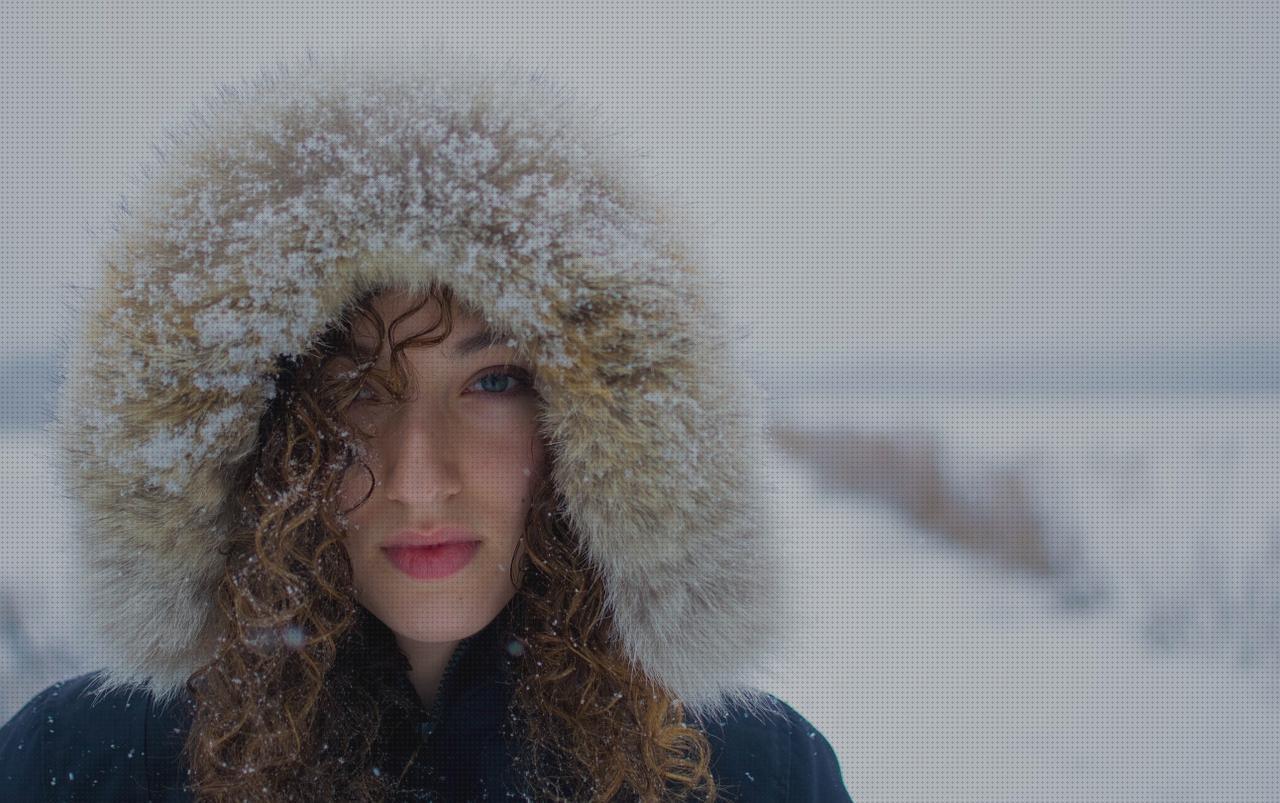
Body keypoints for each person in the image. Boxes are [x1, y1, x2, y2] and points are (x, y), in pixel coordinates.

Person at [0, 50, 853, 801]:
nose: (418, 478)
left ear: (597, 428)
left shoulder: (749, 772)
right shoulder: (89, 765)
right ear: (256, 435)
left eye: (492, 380)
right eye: (356, 389)